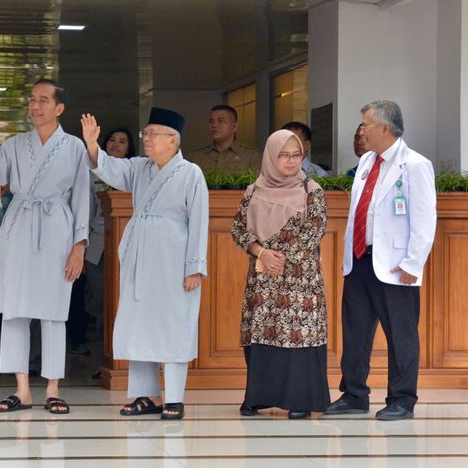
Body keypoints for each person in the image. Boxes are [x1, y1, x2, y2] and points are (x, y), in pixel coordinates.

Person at [0, 79, 89, 415]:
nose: (35, 106)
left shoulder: (75, 147)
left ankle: (52, 388)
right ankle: (21, 389)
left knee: (53, 312)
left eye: (43, 100)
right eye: (32, 100)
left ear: (59, 108)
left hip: (57, 228)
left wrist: (79, 246)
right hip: (18, 226)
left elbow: (82, 198)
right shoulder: (15, 144)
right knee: (14, 309)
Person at [80, 108, 209, 420]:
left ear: (172, 140)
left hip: (174, 261)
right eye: (145, 134)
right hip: (141, 259)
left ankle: (175, 398)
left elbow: (199, 220)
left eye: (152, 134)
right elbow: (109, 170)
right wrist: (92, 145)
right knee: (141, 324)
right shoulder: (140, 168)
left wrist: (195, 266)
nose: (146, 139)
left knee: (174, 325)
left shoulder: (191, 173)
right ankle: (145, 395)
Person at [326, 100, 437, 421]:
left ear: (385, 128)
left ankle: (402, 399)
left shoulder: (415, 165)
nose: (362, 131)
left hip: (395, 266)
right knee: (355, 333)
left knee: (401, 335)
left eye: (366, 125)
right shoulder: (365, 163)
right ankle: (354, 394)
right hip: (360, 260)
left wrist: (413, 264)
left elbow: (424, 220)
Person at [231, 129, 330, 419]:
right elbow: (238, 229)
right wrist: (261, 253)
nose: (290, 161)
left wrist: (281, 258)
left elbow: (315, 229)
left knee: (297, 336)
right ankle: (260, 396)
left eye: (296, 155)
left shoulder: (311, 190)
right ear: (271, 157)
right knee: (263, 333)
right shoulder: (254, 191)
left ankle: (300, 399)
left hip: (300, 279)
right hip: (263, 277)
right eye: (283, 155)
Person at [86, 127, 137, 378]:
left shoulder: (137, 171)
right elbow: (85, 211)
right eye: (113, 140)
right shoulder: (92, 172)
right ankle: (103, 361)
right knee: (100, 305)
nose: (117, 144)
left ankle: (127, 360)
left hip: (128, 245)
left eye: (123, 141)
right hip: (97, 245)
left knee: (125, 302)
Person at [186, 104, 261, 175]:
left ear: (234, 126)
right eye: (211, 121)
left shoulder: (251, 157)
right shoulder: (194, 158)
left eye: (220, 121)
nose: (214, 125)